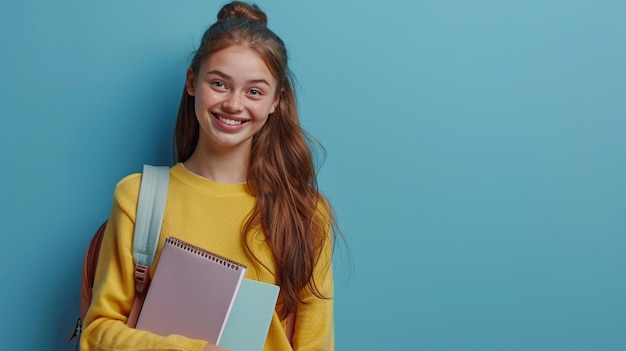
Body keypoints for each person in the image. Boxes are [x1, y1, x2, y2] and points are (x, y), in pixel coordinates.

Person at [80, 2, 338, 350]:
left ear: (276, 101)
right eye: (219, 83)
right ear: (192, 82)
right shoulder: (138, 196)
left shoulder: (306, 213)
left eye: (254, 91)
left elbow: (316, 344)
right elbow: (96, 334)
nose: (234, 104)